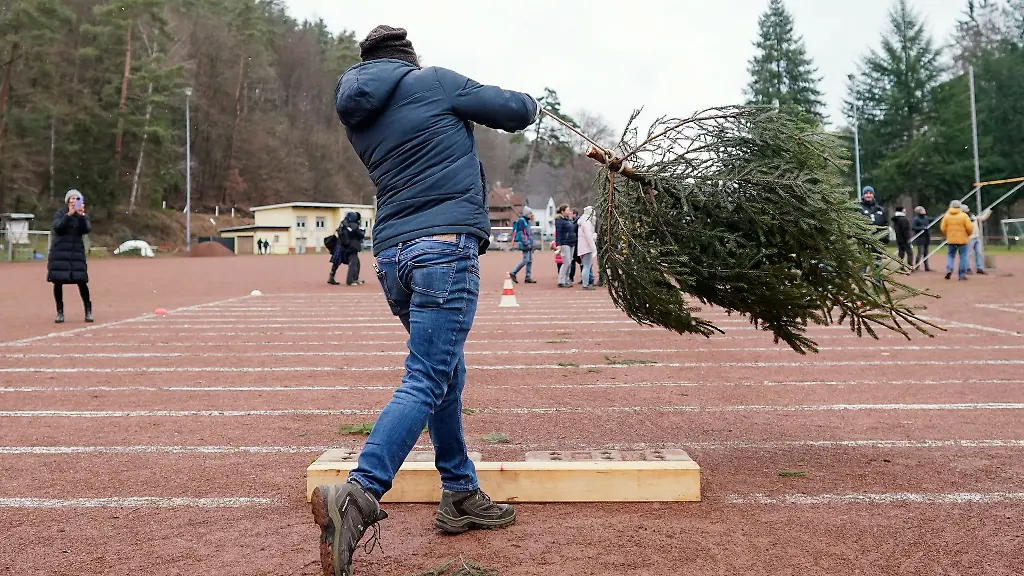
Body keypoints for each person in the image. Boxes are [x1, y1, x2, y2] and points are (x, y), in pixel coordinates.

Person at [311, 25, 539, 576]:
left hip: (393, 255)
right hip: (443, 248)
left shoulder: (357, 114)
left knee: (445, 374)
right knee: (428, 377)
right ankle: (359, 494)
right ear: (407, 59)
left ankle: (460, 491)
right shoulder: (432, 82)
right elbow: (512, 111)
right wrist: (536, 100)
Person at [47, 189, 93, 323]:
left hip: (76, 252)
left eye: (77, 199)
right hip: (60, 252)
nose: (74, 201)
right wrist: (69, 215)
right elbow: (58, 228)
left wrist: (82, 216)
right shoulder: (60, 214)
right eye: (72, 199)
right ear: (67, 201)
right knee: (58, 281)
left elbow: (87, 230)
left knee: (82, 281)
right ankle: (60, 312)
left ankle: (88, 311)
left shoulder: (82, 215)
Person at [940, 199, 974, 281]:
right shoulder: (964, 216)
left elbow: (943, 227)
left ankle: (949, 269)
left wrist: (948, 234)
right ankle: (961, 274)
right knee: (963, 257)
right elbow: (970, 228)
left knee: (950, 255)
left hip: (951, 239)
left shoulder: (947, 215)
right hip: (963, 239)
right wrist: (968, 234)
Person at [508, 207, 536, 284]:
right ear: (526, 213)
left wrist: (532, 244)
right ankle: (513, 273)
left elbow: (529, 234)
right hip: (525, 244)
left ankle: (528, 277)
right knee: (525, 260)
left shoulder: (527, 222)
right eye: (530, 213)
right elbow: (521, 233)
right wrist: (526, 243)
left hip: (529, 243)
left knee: (530, 261)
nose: (531, 215)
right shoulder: (521, 221)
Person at [962, 205, 991, 275]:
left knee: (979, 253)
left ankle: (979, 268)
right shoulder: (962, 217)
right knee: (968, 254)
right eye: (966, 209)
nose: (968, 209)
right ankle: (967, 268)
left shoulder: (972, 215)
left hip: (977, 237)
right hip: (969, 237)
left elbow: (983, 218)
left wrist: (989, 211)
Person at [554, 204, 577, 287]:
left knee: (570, 262)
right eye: (567, 210)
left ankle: (566, 279)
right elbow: (558, 233)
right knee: (566, 262)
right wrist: (558, 244)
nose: (569, 211)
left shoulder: (568, 220)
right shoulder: (559, 221)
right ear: (562, 211)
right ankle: (561, 280)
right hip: (565, 243)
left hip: (571, 242)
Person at [576, 206, 597, 290]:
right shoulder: (586, 223)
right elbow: (589, 237)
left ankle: (585, 283)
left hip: (583, 247)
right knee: (587, 266)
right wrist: (593, 248)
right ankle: (585, 284)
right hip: (586, 247)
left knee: (586, 266)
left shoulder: (583, 222)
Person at [911, 206, 932, 272]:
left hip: (926, 237)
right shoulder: (916, 219)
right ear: (919, 211)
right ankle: (917, 266)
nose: (924, 210)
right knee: (920, 252)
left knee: (926, 253)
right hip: (920, 238)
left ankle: (926, 267)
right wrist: (922, 228)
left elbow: (932, 219)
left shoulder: (926, 218)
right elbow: (913, 227)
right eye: (923, 210)